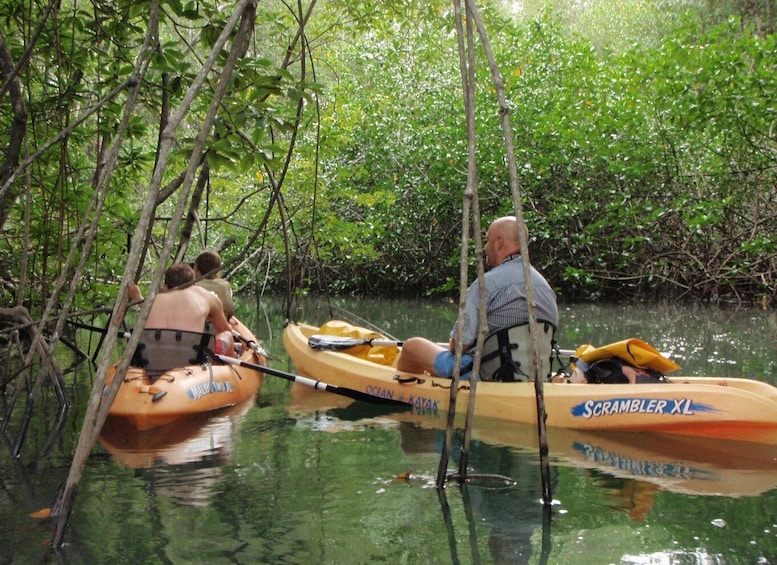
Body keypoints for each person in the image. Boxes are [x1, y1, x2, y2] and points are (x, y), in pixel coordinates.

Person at [396, 216, 558, 379]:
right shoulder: (545, 288)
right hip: (534, 378)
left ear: (499, 242)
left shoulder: (487, 284)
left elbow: (459, 345)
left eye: (488, 241)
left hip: (486, 375)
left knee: (412, 347)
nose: (485, 248)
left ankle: (402, 400)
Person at [128, 262, 234, 356]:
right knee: (226, 334)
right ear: (193, 285)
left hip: (151, 359)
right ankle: (227, 367)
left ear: (165, 287)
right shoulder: (205, 296)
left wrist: (138, 297)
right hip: (188, 361)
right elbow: (224, 329)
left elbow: (146, 311)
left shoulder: (155, 300)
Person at [193, 249, 235, 320]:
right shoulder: (225, 286)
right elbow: (229, 312)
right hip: (217, 327)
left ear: (196, 267)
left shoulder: (191, 286)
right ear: (218, 270)